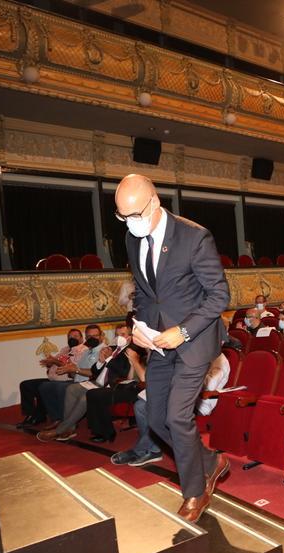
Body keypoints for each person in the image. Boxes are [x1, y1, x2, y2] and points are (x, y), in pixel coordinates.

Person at [117, 173, 230, 522]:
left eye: (135, 215)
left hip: (193, 341)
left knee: (178, 416)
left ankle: (195, 491)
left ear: (154, 202)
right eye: (123, 217)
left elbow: (220, 295)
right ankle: (211, 461)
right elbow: (146, 292)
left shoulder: (194, 237)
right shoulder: (131, 239)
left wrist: (183, 331)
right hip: (158, 342)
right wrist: (137, 328)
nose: (130, 223)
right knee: (156, 418)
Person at [112, 353, 230, 467]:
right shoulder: (199, 354)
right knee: (140, 406)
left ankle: (142, 450)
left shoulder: (220, 361)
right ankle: (152, 448)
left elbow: (206, 385)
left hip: (199, 402)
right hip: (178, 395)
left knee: (156, 409)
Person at [37, 324, 104, 426]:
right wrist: (68, 369)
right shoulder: (87, 351)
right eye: (89, 337)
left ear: (101, 336)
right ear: (86, 337)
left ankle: (67, 423)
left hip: (91, 382)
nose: (92, 339)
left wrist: (74, 369)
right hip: (78, 380)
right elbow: (74, 373)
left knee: (65, 388)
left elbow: (93, 372)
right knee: (45, 386)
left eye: (96, 336)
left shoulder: (104, 351)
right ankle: (58, 418)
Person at [18, 327, 83, 427]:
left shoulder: (83, 350)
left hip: (67, 380)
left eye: (75, 336)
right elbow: (55, 360)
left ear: (82, 338)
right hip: (53, 378)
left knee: (44, 387)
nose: (72, 338)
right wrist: (49, 363)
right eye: (69, 336)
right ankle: (31, 414)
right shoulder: (65, 349)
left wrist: (55, 362)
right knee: (26, 385)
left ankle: (53, 417)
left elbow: (73, 367)